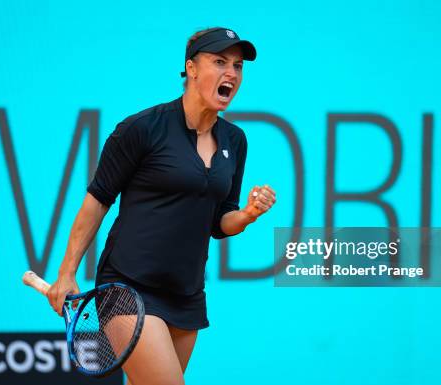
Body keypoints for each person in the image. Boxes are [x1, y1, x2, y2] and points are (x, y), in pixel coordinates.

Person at [47, 27, 276, 385]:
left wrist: (247, 214)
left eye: (238, 65)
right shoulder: (141, 128)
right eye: (220, 62)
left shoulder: (235, 140)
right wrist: (66, 272)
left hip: (187, 295)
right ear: (192, 68)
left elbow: (220, 223)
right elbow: (97, 201)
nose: (231, 73)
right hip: (127, 288)